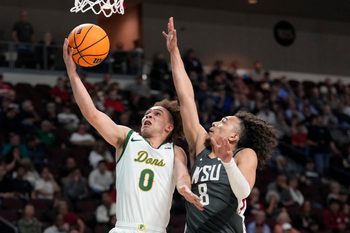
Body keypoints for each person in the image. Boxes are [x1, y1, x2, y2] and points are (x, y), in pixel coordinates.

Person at [63, 39, 202, 233]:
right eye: (147, 113)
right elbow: (92, 114)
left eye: (156, 114)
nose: (148, 115)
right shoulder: (127, 138)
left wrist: (184, 188)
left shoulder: (175, 151)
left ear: (169, 127)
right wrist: (72, 73)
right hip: (124, 228)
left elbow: (182, 175)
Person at [163, 17, 278, 233]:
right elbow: (186, 97)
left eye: (224, 122)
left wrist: (228, 162)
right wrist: (174, 52)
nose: (215, 122)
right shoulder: (200, 145)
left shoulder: (245, 155)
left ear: (234, 137)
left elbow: (243, 192)